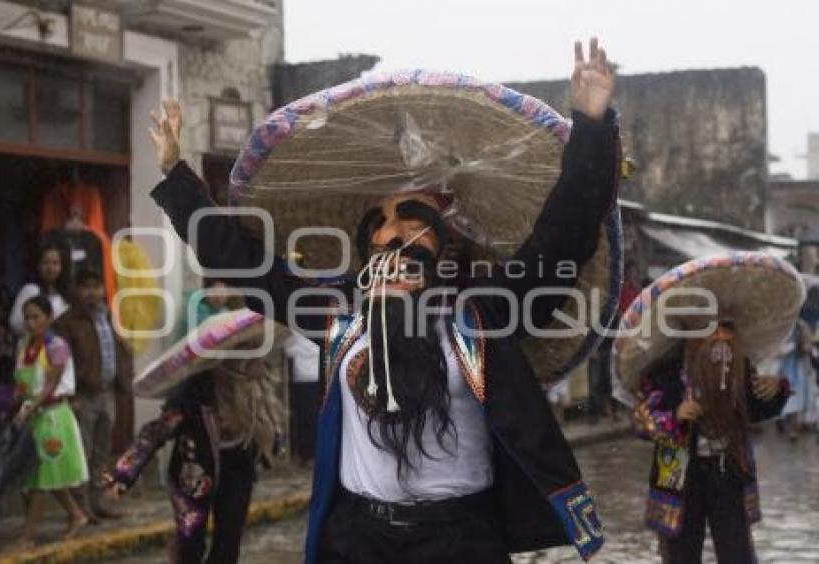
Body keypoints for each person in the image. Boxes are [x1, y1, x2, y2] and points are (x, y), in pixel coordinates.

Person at [147, 37, 618, 563]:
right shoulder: (338, 313)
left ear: (447, 243)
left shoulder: (484, 313)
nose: (391, 234)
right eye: (381, 222)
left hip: (460, 540)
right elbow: (245, 265)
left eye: (411, 219)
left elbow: (565, 234)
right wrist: (176, 179)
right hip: (358, 539)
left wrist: (593, 125)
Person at [612, 252, 803, 564]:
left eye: (726, 328)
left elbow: (756, 410)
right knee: (681, 555)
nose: (720, 336)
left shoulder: (740, 368)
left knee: (737, 552)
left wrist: (775, 390)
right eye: (710, 328)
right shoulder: (665, 373)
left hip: (727, 472)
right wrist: (674, 416)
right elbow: (641, 422)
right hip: (680, 480)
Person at [104, 310, 282, 564]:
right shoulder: (194, 394)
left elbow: (271, 429)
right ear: (229, 358)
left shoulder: (257, 391)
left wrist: (271, 444)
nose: (256, 359)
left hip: (237, 472)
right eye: (247, 352)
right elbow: (155, 433)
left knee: (228, 544)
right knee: (190, 546)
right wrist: (124, 474)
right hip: (193, 476)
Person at [53, 269, 133, 522]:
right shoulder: (67, 323)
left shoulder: (109, 316)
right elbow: (62, 363)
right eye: (85, 287)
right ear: (76, 290)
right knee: (82, 453)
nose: (92, 292)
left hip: (107, 392)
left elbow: (118, 351)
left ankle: (98, 502)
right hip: (83, 396)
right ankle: (81, 506)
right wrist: (71, 395)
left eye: (96, 286)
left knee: (102, 451)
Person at [12, 295, 89, 549]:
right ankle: (77, 515)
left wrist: (29, 407)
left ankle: (28, 536)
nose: (31, 322)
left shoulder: (56, 346)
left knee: (39, 481)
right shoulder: (25, 345)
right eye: (27, 317)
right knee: (44, 476)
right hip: (32, 414)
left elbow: (50, 385)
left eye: (36, 316)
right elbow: (23, 381)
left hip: (52, 415)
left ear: (48, 317)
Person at [9, 241, 72, 337]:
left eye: (55, 263)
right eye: (45, 263)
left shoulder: (67, 295)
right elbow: (15, 324)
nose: (50, 268)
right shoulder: (30, 290)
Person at [284, 330, 320, 466]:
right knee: (307, 417)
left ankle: (308, 454)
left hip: (306, 377)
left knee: (307, 418)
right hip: (306, 377)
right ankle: (306, 454)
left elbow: (288, 350)